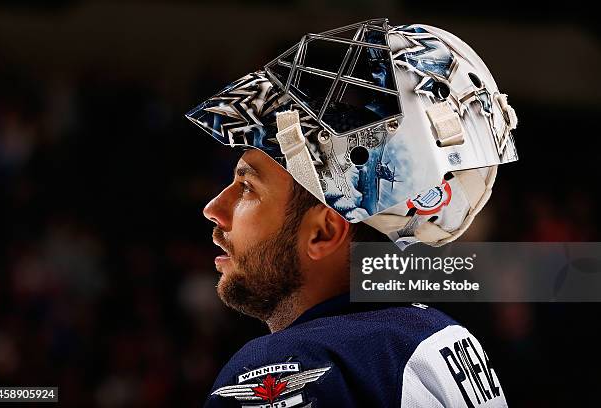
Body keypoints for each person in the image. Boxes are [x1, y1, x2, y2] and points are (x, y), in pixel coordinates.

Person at [187, 18, 517, 408]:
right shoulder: (442, 337)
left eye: (247, 188)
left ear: (324, 233)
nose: (214, 209)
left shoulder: (293, 366)